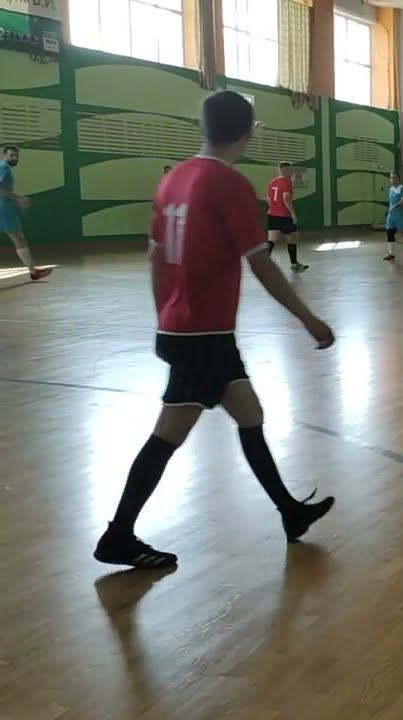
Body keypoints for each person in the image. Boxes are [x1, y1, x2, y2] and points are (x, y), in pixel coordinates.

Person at [93, 91, 335, 570]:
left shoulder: (173, 179)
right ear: (246, 132)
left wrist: (165, 317)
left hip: (187, 330)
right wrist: (308, 319)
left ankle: (290, 512)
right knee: (169, 434)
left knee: (249, 413)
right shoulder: (229, 184)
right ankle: (118, 535)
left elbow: (153, 255)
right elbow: (260, 262)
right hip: (203, 334)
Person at [0, 146, 53, 281]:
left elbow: (4, 189)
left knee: (18, 238)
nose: (15, 158)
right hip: (4, 209)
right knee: (19, 239)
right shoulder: (4, 167)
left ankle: (33, 271)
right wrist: (19, 199)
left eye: (16, 156)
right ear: (4, 155)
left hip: (5, 206)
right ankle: (33, 272)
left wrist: (17, 199)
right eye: (11, 155)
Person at [266, 161, 308, 272]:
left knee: (271, 240)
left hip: (272, 214)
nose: (291, 172)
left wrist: (274, 208)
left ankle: (263, 263)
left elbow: (269, 199)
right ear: (285, 170)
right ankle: (294, 265)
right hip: (284, 216)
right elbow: (286, 199)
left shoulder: (272, 182)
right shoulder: (286, 182)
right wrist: (293, 214)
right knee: (293, 238)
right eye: (290, 170)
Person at [384, 172, 403, 261]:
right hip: (391, 215)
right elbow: (390, 202)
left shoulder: (402, 188)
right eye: (391, 178)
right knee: (389, 233)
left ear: (398, 179)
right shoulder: (391, 189)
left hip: (401, 215)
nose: (392, 179)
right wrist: (389, 210)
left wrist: (395, 206)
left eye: (394, 177)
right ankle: (391, 254)